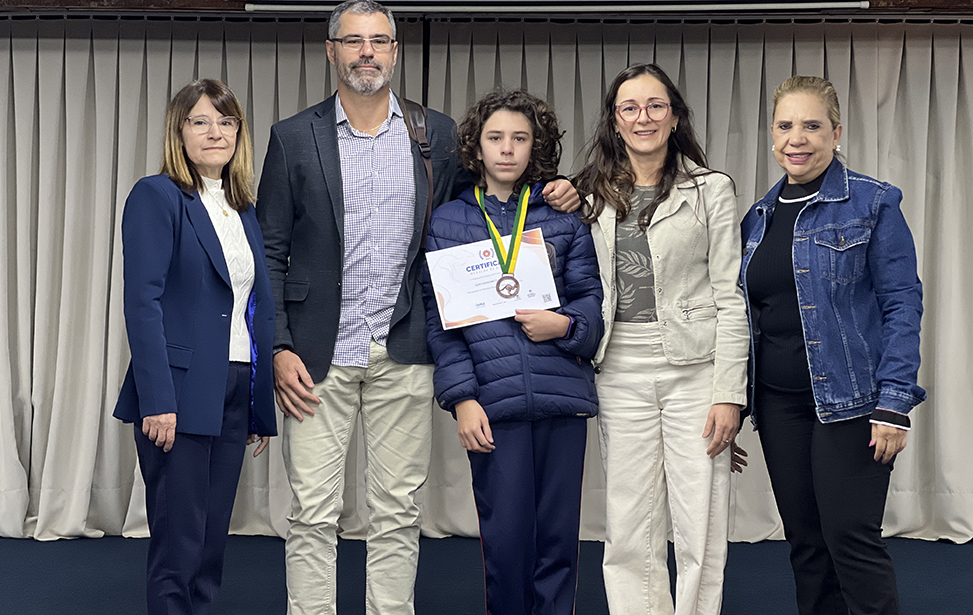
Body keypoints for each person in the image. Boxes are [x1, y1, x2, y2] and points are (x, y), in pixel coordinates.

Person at [254, 2, 579, 613]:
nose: (367, 52)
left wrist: (556, 190)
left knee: (397, 513)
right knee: (313, 513)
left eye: (380, 41)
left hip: (405, 349)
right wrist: (277, 346)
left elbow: (484, 212)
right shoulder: (293, 137)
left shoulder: (437, 134)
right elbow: (270, 250)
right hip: (315, 357)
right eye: (355, 41)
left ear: (395, 51)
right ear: (332, 50)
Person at [740, 75, 926, 615]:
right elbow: (746, 317)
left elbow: (902, 304)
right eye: (784, 125)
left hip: (852, 401)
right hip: (778, 404)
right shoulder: (758, 217)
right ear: (771, 133)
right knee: (806, 544)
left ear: (836, 133)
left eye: (812, 125)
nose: (796, 138)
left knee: (851, 540)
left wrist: (894, 404)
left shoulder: (873, 202)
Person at [575, 63, 749, 615]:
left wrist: (730, 394)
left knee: (700, 519)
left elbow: (730, 296)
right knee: (629, 522)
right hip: (618, 365)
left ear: (674, 117)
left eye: (655, 105)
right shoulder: (588, 194)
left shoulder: (711, 189)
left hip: (697, 367)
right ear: (615, 121)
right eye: (629, 107)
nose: (643, 117)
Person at [422, 89, 603, 615]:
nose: (507, 149)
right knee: (505, 543)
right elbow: (442, 324)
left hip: (561, 399)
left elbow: (591, 301)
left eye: (520, 138)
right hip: (492, 405)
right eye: (495, 137)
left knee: (558, 541)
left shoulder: (563, 216)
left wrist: (565, 326)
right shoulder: (448, 221)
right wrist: (462, 400)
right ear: (475, 147)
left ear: (535, 146)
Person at [112, 78, 276, 615]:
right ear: (178, 131)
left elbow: (252, 306)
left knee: (210, 542)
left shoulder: (243, 209)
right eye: (200, 121)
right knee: (179, 540)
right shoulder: (157, 196)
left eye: (226, 122)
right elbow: (143, 305)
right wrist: (158, 399)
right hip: (179, 391)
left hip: (235, 384)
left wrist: (256, 400)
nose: (215, 133)